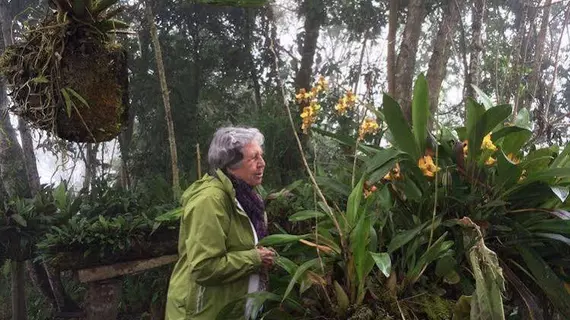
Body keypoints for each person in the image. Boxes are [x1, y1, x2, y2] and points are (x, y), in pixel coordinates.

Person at [165, 126, 276, 320]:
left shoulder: (248, 198)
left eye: (261, 156)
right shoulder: (210, 201)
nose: (262, 163)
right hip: (204, 312)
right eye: (253, 158)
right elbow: (205, 267)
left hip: (233, 309)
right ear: (230, 164)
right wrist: (255, 259)